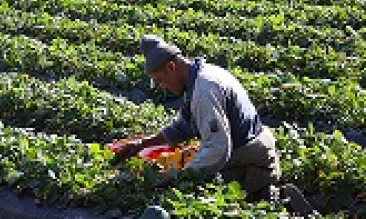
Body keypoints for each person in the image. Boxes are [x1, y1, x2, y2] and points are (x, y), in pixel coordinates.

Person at [114, 35, 281, 203]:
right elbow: (183, 127)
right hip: (250, 144)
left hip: (251, 151)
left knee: (198, 189)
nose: (163, 87)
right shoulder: (200, 75)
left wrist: (180, 177)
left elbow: (218, 147)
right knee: (194, 164)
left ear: (171, 67)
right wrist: (142, 144)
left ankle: (264, 190)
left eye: (161, 81)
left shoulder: (204, 89)